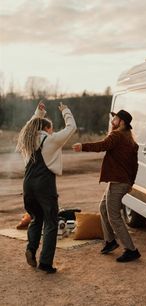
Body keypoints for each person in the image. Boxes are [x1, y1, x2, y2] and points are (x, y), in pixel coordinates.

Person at [72, 109, 141, 263]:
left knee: (114, 217)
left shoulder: (117, 135)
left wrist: (83, 146)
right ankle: (110, 241)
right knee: (103, 208)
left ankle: (131, 250)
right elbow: (134, 165)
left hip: (118, 182)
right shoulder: (129, 138)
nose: (112, 120)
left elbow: (102, 145)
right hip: (120, 181)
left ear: (121, 122)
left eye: (115, 118)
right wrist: (131, 182)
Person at [16, 101, 76, 273]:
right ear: (47, 129)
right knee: (51, 223)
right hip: (44, 184)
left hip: (28, 183)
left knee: (36, 218)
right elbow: (71, 127)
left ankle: (31, 249)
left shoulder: (27, 140)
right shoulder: (50, 140)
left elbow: (29, 125)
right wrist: (66, 110)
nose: (53, 131)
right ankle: (45, 263)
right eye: (51, 128)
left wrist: (38, 113)